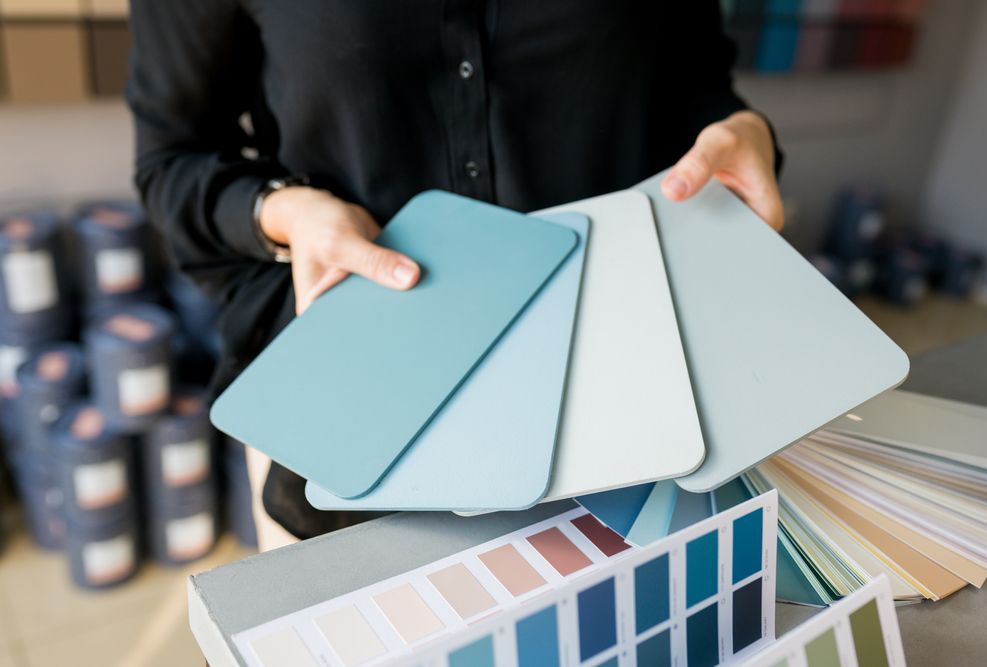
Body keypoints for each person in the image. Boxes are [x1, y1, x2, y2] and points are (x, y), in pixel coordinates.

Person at [127, 1, 783, 551]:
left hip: (622, 388)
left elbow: (698, 84)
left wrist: (747, 131)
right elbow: (173, 158)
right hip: (359, 389)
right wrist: (284, 211)